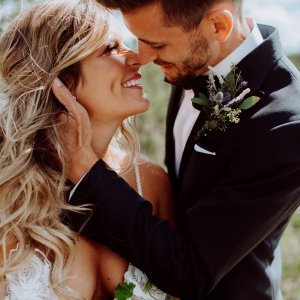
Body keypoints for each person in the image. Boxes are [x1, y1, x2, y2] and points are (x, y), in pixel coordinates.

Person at [53, 0, 300, 299]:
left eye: (155, 43)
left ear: (218, 26)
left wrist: (87, 170)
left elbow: (191, 271)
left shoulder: (286, 128)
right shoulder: (194, 57)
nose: (142, 57)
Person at [0, 0, 175, 299]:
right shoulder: (9, 194)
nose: (137, 58)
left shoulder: (152, 182)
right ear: (60, 80)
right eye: (110, 49)